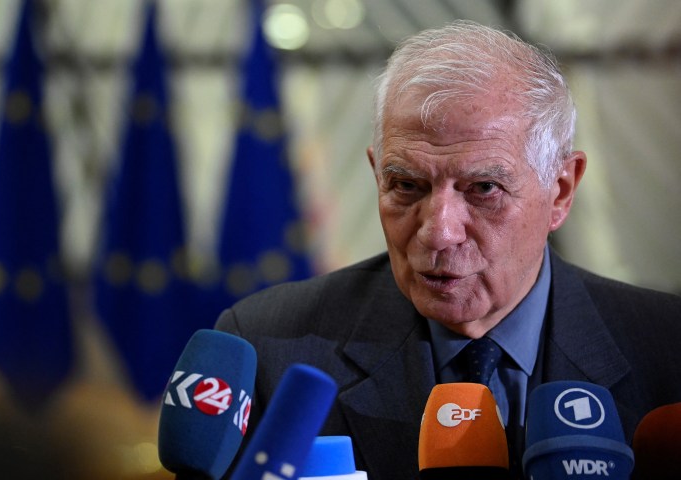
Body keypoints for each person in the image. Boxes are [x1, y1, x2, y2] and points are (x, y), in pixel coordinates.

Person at [215, 20, 681, 479]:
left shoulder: (666, 349)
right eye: (406, 185)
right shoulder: (268, 349)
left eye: (483, 188)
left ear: (560, 191)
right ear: (377, 175)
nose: (439, 232)